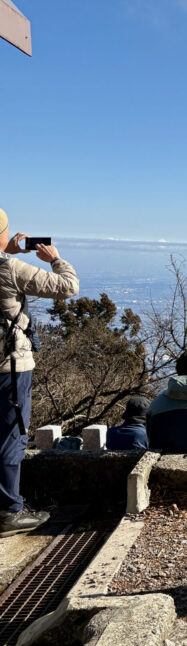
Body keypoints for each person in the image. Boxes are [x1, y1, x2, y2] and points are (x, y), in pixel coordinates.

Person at [0, 212, 80, 537]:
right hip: (10, 367)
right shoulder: (9, 269)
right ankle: (9, 512)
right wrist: (55, 259)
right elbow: (68, 287)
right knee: (10, 435)